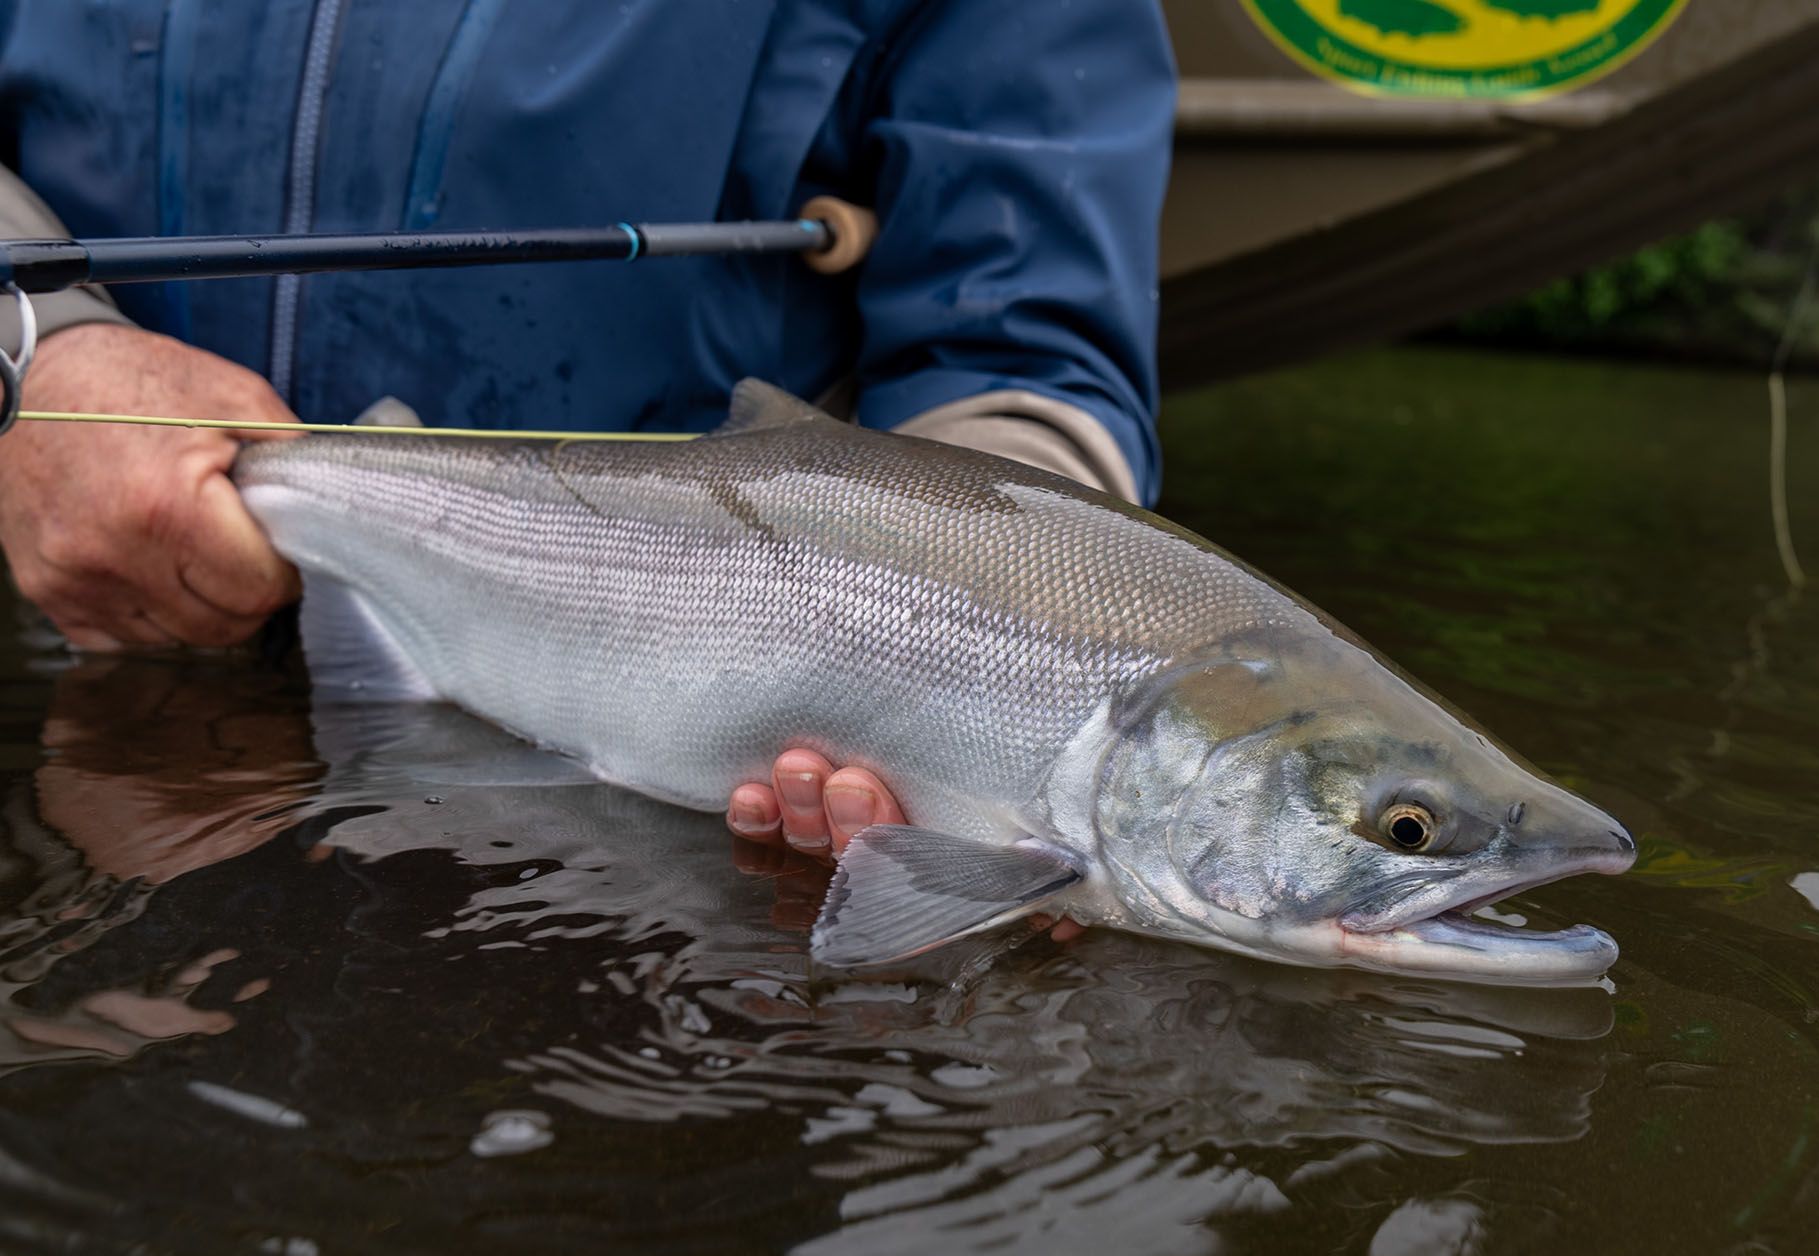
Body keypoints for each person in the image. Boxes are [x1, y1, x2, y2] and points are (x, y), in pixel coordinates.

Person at [0, 2, 1172, 877]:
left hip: (652, 808)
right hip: (57, 646)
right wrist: (34, 352)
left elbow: (1020, 363)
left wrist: (988, 730)